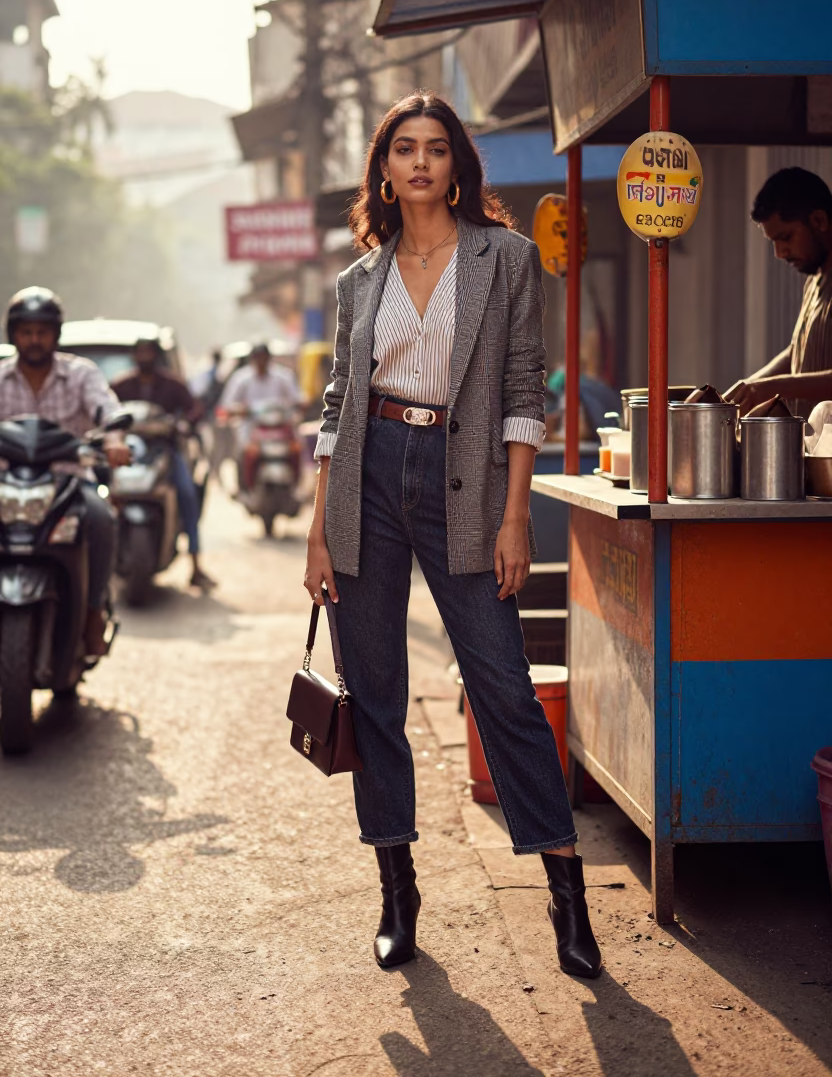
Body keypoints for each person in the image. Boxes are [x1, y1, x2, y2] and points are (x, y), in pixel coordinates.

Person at [304, 91, 601, 978]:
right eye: (405, 149)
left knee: (503, 687)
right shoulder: (359, 281)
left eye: (437, 147)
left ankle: (567, 896)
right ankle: (399, 893)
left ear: (458, 165)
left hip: (464, 481)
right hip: (367, 474)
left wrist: (517, 516)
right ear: (385, 172)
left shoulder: (505, 258)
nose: (421, 162)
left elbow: (523, 393)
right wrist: (319, 532)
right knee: (376, 695)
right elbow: (335, 410)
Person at [0, 287, 125, 655]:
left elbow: (106, 408)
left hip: (70, 481)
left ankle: (92, 612)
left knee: (101, 517)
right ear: (14, 334)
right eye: (26, 332)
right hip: (6, 483)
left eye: (42, 331)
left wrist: (115, 439)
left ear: (56, 334)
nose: (34, 339)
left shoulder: (81, 373)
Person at [726, 167, 832, 417]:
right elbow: (798, 351)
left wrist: (772, 388)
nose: (779, 253)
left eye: (786, 237)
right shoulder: (815, 279)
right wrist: (745, 391)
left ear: (819, 220)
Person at [112, 339, 215, 590]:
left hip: (165, 450)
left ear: (156, 355)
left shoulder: (173, 385)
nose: (144, 356)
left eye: (149, 352)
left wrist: (184, 423)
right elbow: (103, 410)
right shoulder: (121, 385)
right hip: (130, 451)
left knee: (188, 494)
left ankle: (195, 565)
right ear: (134, 355)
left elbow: (194, 409)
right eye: (140, 352)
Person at [219, 343, 300, 491]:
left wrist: (300, 404)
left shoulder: (283, 377)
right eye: (258, 358)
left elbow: (297, 398)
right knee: (245, 451)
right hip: (251, 427)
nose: (261, 361)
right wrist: (240, 410)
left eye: (264, 358)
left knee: (296, 447)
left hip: (279, 427)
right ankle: (244, 487)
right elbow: (227, 405)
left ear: (269, 359)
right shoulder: (241, 379)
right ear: (252, 359)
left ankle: (297, 487)